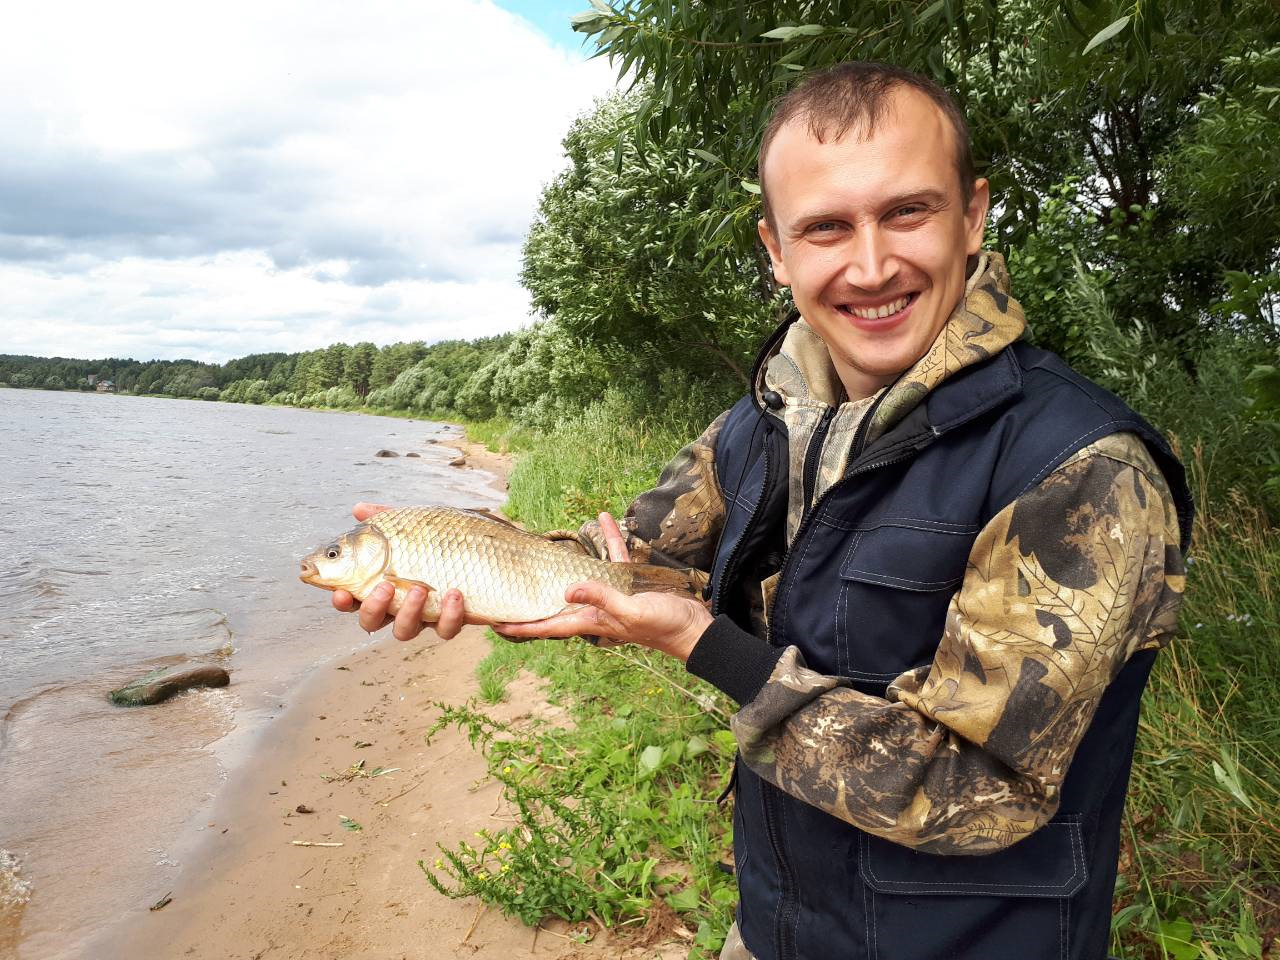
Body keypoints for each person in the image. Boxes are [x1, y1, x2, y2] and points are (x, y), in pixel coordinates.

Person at [335, 62, 1192, 960]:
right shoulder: (763, 422)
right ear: (776, 251)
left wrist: (706, 646)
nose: (871, 265)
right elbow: (634, 564)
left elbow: (980, 784)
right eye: (825, 228)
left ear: (972, 215)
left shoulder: (1079, 468)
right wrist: (451, 561)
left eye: (907, 211)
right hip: (781, 924)